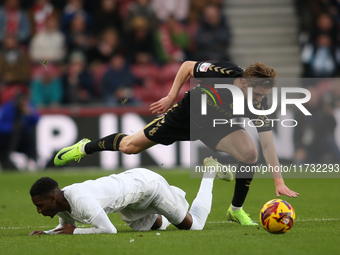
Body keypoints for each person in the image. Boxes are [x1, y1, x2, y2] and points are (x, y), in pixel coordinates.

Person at [54, 60, 299, 225]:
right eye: (258, 94)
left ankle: (235, 211)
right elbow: (187, 67)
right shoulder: (224, 73)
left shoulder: (261, 104)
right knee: (130, 146)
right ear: (244, 82)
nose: (260, 99)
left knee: (250, 153)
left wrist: (278, 180)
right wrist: (171, 96)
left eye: (264, 96)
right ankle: (84, 147)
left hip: (218, 126)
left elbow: (268, 144)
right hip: (186, 115)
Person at [29, 159, 227, 235]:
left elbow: (109, 230)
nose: (38, 210)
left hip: (149, 187)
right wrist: (47, 233)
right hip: (130, 201)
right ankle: (173, 200)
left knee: (194, 225)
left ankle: (209, 172)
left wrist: (75, 233)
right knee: (155, 225)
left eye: (40, 205)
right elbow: (65, 226)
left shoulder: (81, 200)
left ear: (53, 198)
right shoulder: (63, 200)